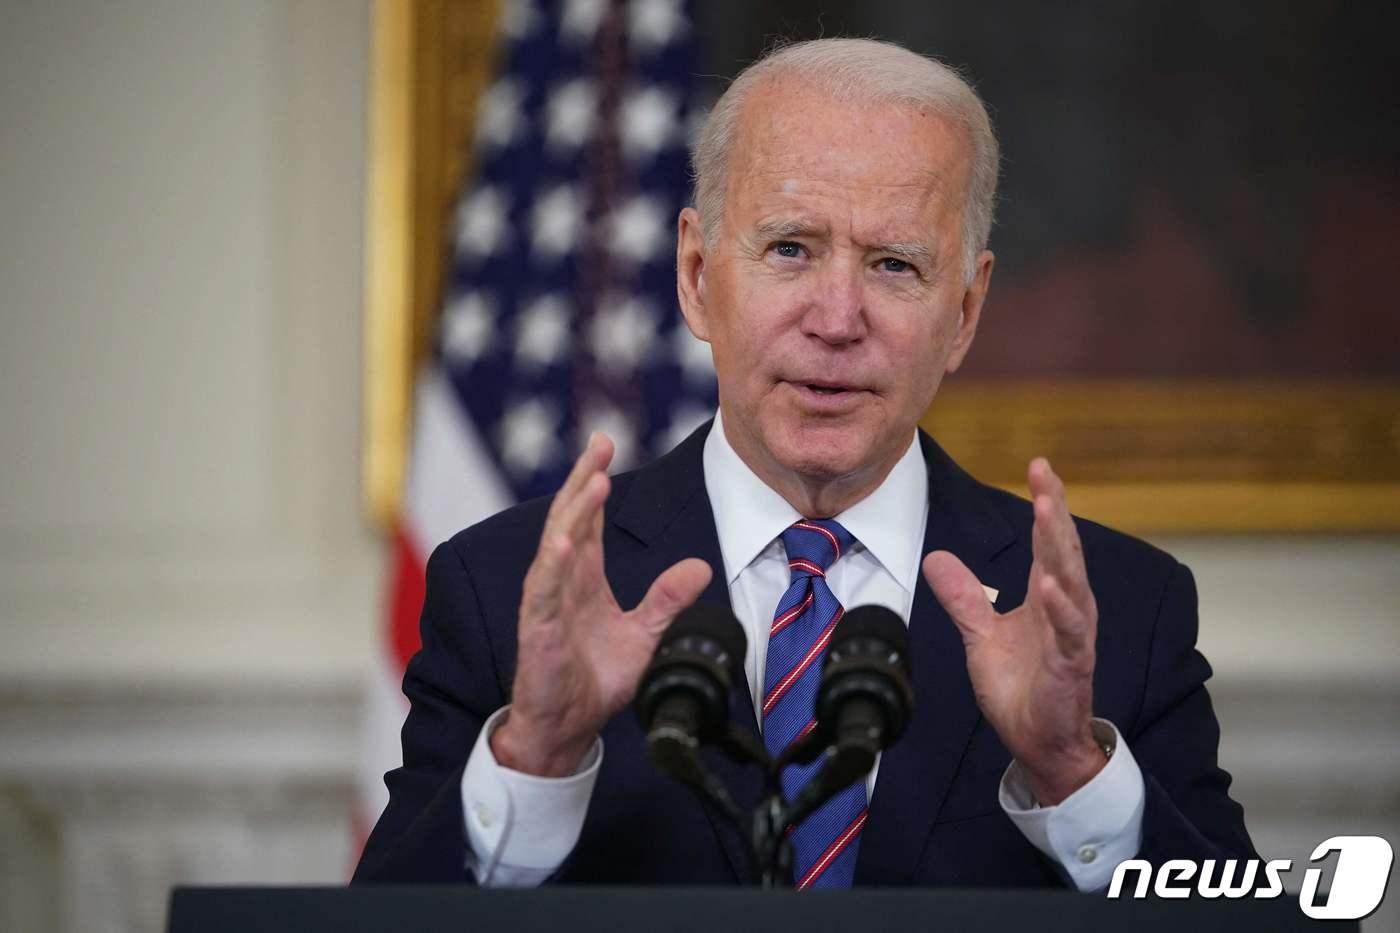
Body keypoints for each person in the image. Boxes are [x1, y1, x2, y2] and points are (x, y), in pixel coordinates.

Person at [354, 38, 1253, 889]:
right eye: (791, 249)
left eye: (895, 264)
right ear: (698, 273)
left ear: (967, 312)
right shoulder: (504, 588)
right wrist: (533, 758)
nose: (836, 318)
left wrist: (1074, 772)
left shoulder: (1120, 614)